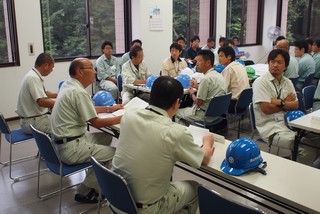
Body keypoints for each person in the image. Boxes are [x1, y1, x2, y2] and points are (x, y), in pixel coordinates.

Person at [112, 76, 214, 213]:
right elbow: (204, 159)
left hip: (117, 200)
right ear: (177, 102)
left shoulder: (129, 116)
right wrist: (207, 142)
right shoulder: (175, 132)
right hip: (145, 209)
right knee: (195, 188)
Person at [51, 58, 124, 203]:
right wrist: (120, 118)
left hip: (65, 142)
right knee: (113, 154)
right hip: (71, 148)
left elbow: (87, 108)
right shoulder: (78, 92)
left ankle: (95, 174)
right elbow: (95, 121)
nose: (95, 71)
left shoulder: (68, 85)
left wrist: (110, 109)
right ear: (80, 72)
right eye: (91, 67)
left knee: (105, 137)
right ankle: (85, 190)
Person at [253, 49, 318, 165]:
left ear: (286, 66)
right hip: (271, 128)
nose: (275, 65)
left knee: (317, 139)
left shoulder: (287, 82)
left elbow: (295, 105)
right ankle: (297, 173)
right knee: (306, 147)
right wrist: (285, 103)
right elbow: (266, 109)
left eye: (279, 62)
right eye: (272, 61)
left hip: (289, 123)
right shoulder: (260, 82)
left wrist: (276, 102)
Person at [175, 50, 227, 125]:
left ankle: (188, 134)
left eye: (199, 61)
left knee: (176, 113)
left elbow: (198, 103)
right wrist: (197, 86)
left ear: (208, 63)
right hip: (216, 114)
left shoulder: (206, 79)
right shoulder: (219, 75)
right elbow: (210, 91)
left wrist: (192, 93)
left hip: (204, 115)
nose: (197, 64)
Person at [16, 53, 56, 134]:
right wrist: (61, 103)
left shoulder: (32, 74)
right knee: (63, 127)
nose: (52, 71)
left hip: (31, 120)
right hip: (34, 122)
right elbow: (41, 102)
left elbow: (45, 93)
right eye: (52, 68)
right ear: (45, 66)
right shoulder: (33, 78)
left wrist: (60, 94)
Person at [218, 46, 250, 113]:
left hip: (234, 105)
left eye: (221, 56)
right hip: (245, 102)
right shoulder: (240, 65)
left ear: (229, 57)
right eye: (219, 56)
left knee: (211, 102)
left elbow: (222, 90)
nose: (219, 59)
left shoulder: (229, 69)